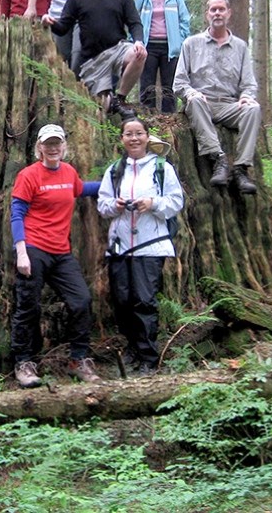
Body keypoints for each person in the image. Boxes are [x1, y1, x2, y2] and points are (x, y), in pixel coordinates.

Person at [10, 124, 102, 388]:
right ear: (39, 147)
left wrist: (112, 183)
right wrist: (21, 252)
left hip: (61, 252)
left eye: (57, 143)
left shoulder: (68, 171)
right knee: (28, 306)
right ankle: (24, 363)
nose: (52, 148)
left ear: (63, 146)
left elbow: (81, 189)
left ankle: (78, 360)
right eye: (47, 144)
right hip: (34, 249)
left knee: (81, 300)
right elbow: (17, 213)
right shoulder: (29, 175)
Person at [97, 117, 183, 375]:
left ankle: (149, 358)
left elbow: (176, 201)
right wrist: (117, 205)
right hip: (120, 246)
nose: (134, 139)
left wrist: (152, 204)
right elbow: (103, 205)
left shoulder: (162, 168)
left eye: (139, 133)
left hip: (150, 245)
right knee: (122, 301)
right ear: (122, 139)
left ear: (147, 137)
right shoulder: (114, 170)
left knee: (144, 301)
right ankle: (133, 350)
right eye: (128, 134)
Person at [41, 0, 147, 118]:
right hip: (92, 60)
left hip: (118, 48)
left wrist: (139, 42)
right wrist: (50, 22)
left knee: (139, 54)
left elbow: (135, 23)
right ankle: (109, 104)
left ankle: (119, 98)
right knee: (101, 109)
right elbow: (63, 27)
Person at [173, 0, 260, 194]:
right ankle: (218, 159)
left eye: (221, 9)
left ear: (229, 13)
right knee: (194, 101)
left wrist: (247, 95)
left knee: (253, 109)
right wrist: (192, 92)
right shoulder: (191, 44)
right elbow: (179, 83)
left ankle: (241, 169)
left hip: (229, 105)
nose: (217, 13)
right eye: (213, 10)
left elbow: (248, 83)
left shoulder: (240, 47)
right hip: (201, 105)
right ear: (207, 15)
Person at [135, 0, 191, 113]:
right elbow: (133, 20)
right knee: (147, 82)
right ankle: (147, 114)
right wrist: (134, 41)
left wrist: (181, 41)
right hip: (148, 47)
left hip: (170, 47)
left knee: (170, 83)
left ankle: (169, 117)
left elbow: (184, 21)